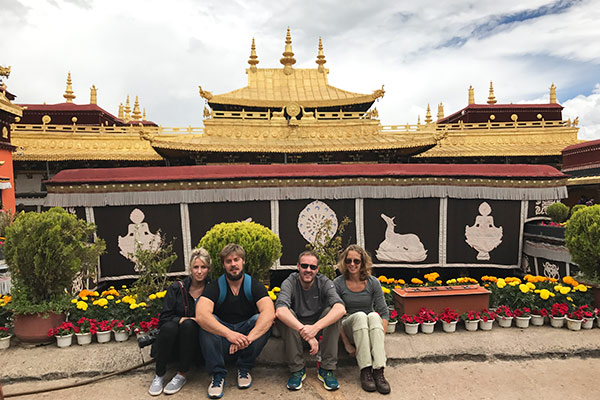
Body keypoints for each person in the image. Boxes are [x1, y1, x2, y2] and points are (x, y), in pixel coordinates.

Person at [196, 243, 274, 399]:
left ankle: (244, 368)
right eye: (228, 261)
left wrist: (247, 339)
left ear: (243, 261)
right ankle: (218, 375)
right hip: (224, 340)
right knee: (207, 323)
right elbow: (201, 314)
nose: (233, 265)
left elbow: (269, 312)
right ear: (224, 265)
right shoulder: (216, 286)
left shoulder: (254, 285)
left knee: (261, 320)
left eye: (236, 260)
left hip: (246, 339)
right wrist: (229, 334)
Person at [275, 250, 346, 391]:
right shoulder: (289, 282)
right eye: (304, 266)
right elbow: (280, 311)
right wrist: (306, 332)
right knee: (287, 314)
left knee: (332, 313)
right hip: (295, 334)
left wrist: (315, 329)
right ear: (298, 266)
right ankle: (297, 369)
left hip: (318, 334)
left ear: (317, 269)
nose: (308, 270)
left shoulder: (324, 281)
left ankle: (326, 369)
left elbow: (341, 309)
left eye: (312, 267)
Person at [148, 247, 212, 396]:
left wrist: (190, 321)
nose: (199, 271)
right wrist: (182, 319)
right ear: (190, 268)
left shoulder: (212, 289)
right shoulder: (177, 288)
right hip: (174, 340)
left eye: (203, 267)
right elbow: (164, 318)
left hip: (198, 342)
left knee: (189, 325)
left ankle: (182, 374)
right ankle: (159, 375)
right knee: (170, 326)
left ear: (208, 269)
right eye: (196, 267)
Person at [333, 244, 391, 394]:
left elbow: (384, 313)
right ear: (344, 263)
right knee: (360, 315)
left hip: (369, 326)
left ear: (363, 263)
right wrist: (346, 344)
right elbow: (335, 315)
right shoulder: (338, 283)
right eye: (348, 261)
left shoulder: (373, 282)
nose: (352, 264)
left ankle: (378, 371)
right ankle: (365, 370)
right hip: (349, 325)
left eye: (356, 261)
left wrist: (378, 337)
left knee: (373, 315)